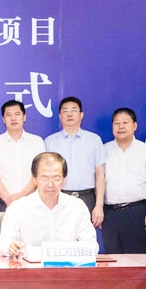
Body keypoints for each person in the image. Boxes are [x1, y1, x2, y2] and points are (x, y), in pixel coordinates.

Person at [0, 152, 98, 257]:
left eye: (56, 179)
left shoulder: (77, 207)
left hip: (67, 266)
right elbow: (2, 247)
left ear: (64, 179)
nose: (50, 184)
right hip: (30, 266)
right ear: (34, 179)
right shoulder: (17, 208)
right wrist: (10, 248)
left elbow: (92, 246)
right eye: (44, 178)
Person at [102, 108, 146, 254]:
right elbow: (97, 182)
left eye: (125, 122)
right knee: (112, 258)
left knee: (136, 258)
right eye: (116, 123)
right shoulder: (103, 150)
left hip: (136, 212)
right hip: (109, 213)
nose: (121, 127)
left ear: (135, 126)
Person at [44, 96, 105, 227]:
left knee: (86, 237)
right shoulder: (49, 142)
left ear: (81, 115)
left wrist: (99, 205)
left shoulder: (94, 140)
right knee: (60, 237)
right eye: (65, 111)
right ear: (60, 116)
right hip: (59, 197)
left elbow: (100, 174)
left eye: (74, 110)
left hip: (88, 198)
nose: (69, 114)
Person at [0, 100, 46, 212]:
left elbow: (39, 174)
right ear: (3, 119)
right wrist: (9, 200)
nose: (13, 118)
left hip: (31, 201)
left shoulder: (37, 142)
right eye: (9, 115)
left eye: (17, 114)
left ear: (24, 117)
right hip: (4, 202)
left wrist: (19, 196)